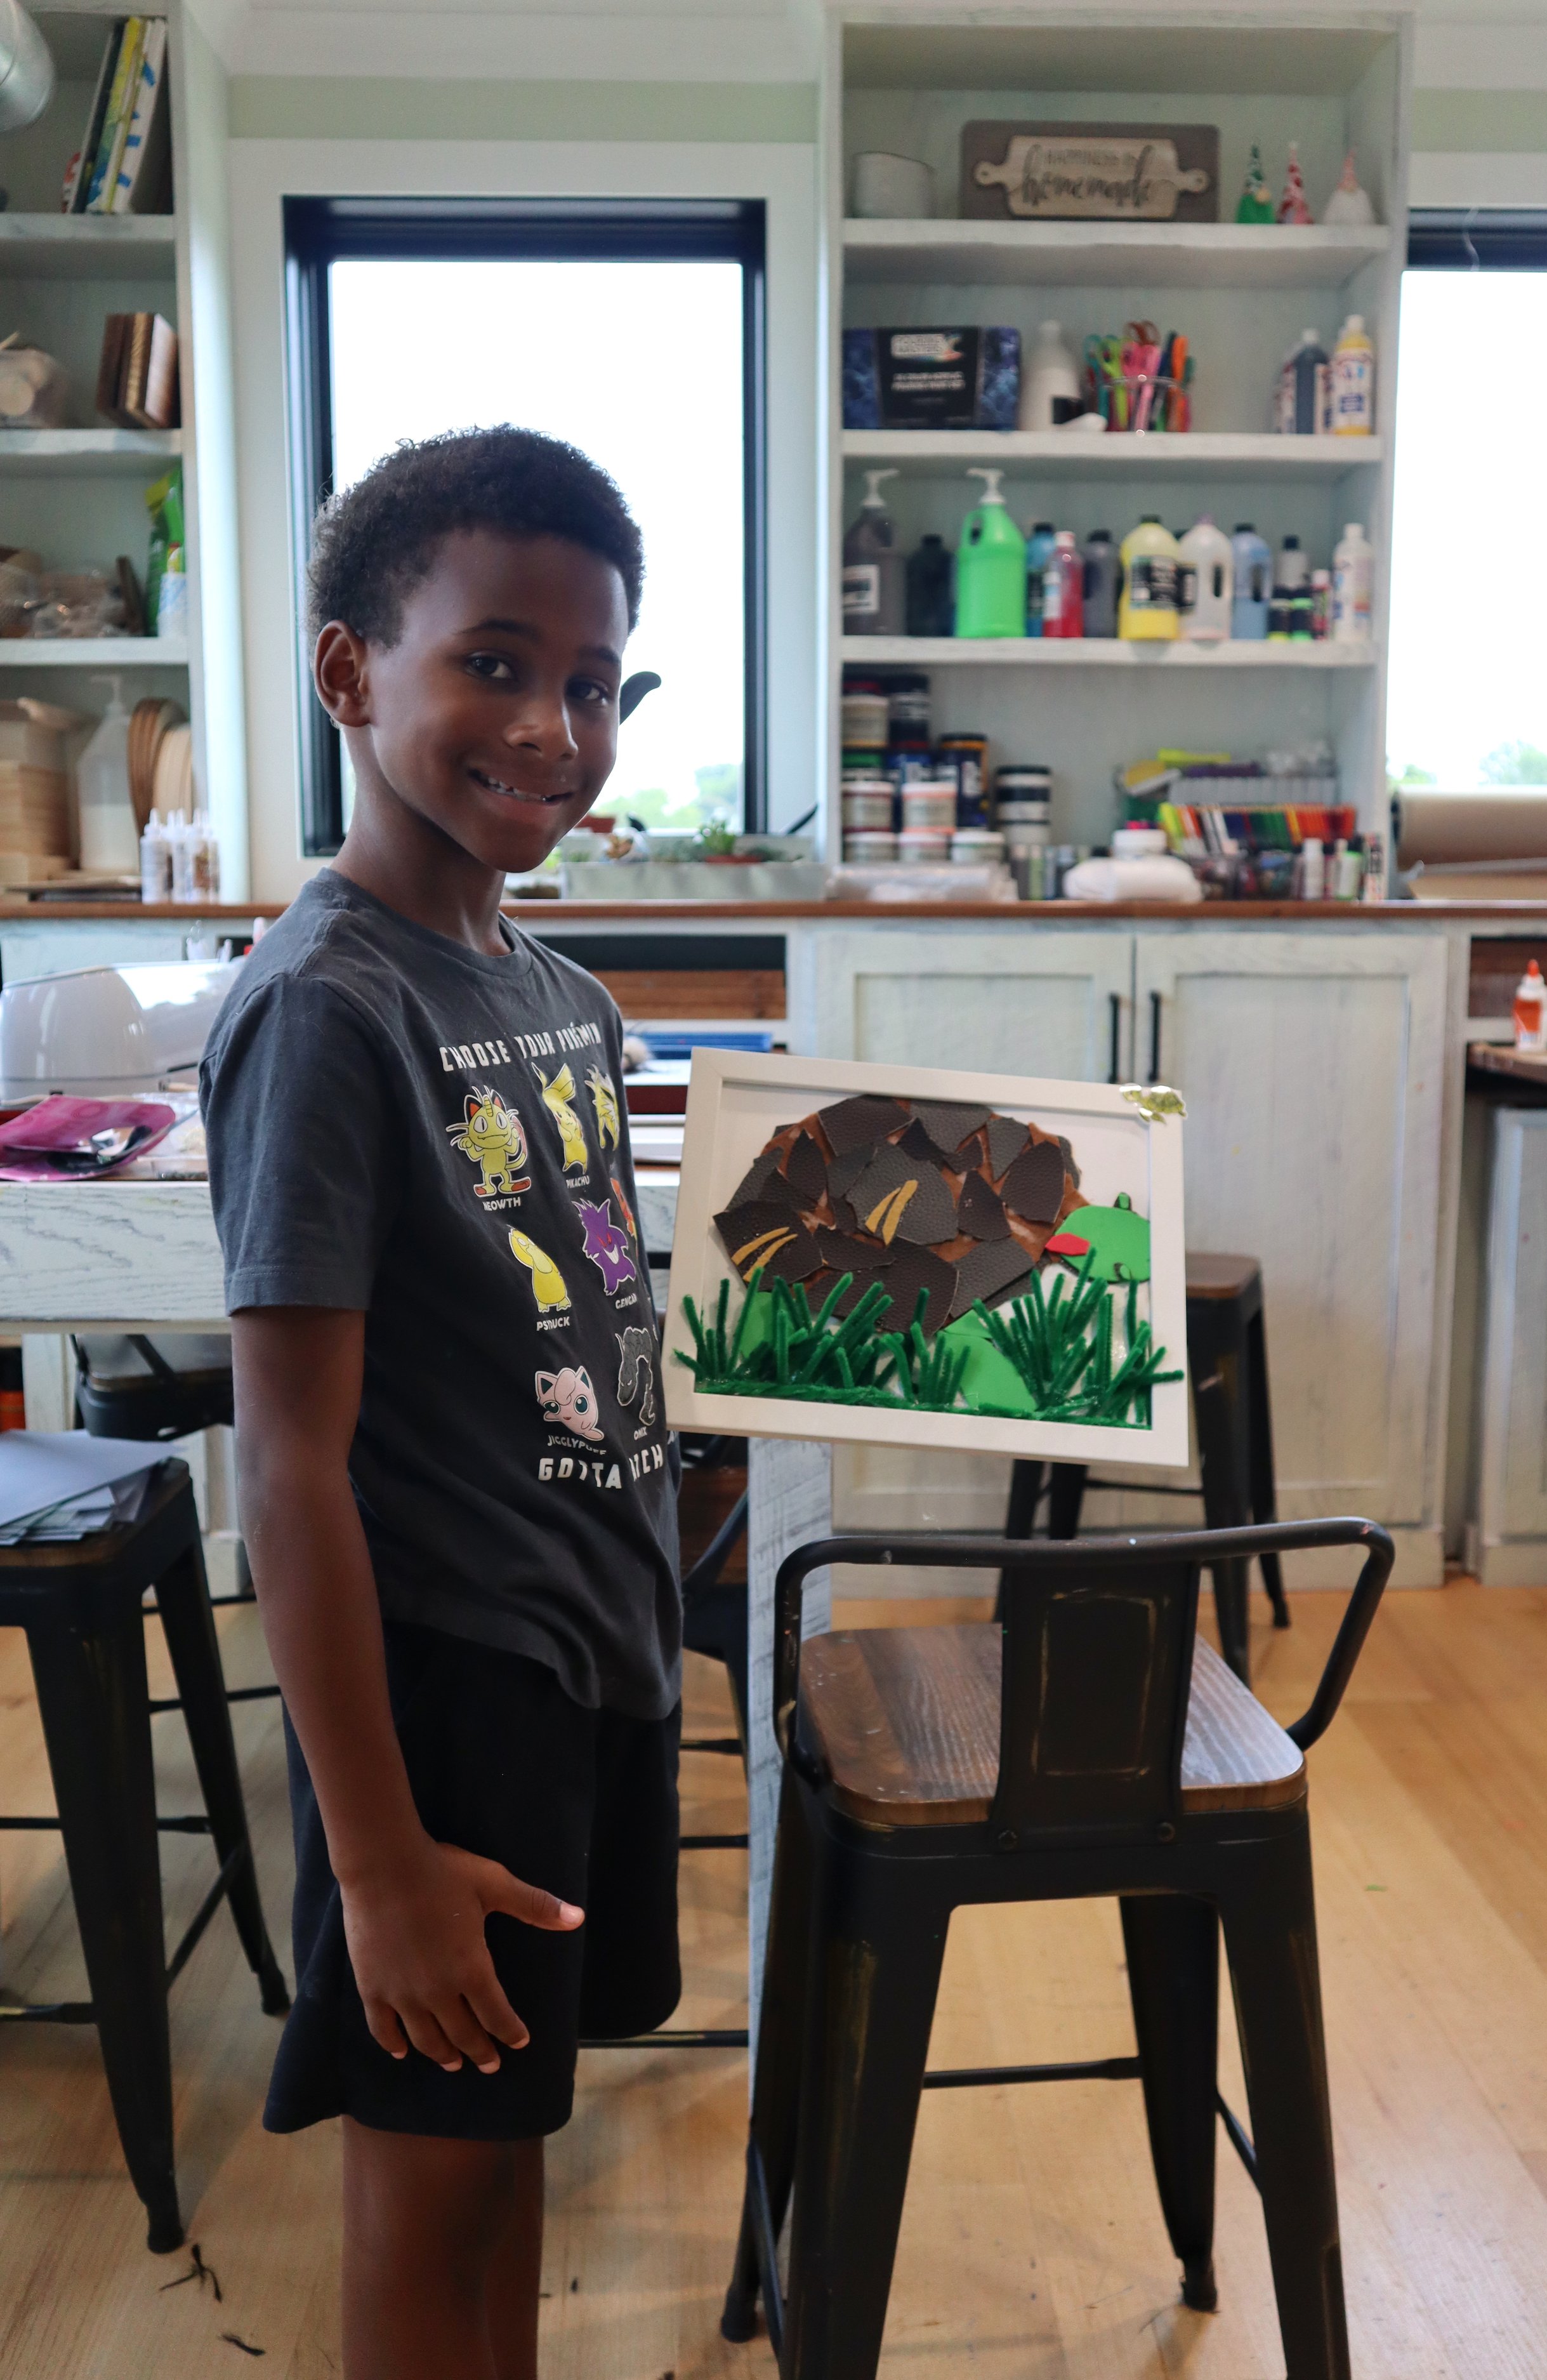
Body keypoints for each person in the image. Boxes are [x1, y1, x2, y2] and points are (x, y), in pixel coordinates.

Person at [201, 426, 681, 2380]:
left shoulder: (560, 997)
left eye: (594, 684)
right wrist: (378, 1861)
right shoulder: (331, 1007)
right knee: (426, 2198)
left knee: (506, 2151)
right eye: (494, 664)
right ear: (349, 672)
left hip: (582, 1662)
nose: (553, 730)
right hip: (444, 1694)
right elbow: (287, 1470)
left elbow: (589, 1332)